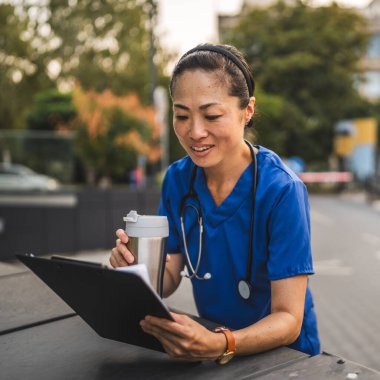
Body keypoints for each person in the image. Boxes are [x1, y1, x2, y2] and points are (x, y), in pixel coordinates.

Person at [110, 43, 320, 363]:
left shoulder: (282, 191)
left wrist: (221, 344)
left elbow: (289, 320)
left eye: (211, 115)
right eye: (182, 115)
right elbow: (167, 280)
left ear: (247, 110)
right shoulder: (179, 179)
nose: (195, 132)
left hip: (284, 359)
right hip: (212, 347)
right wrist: (136, 271)